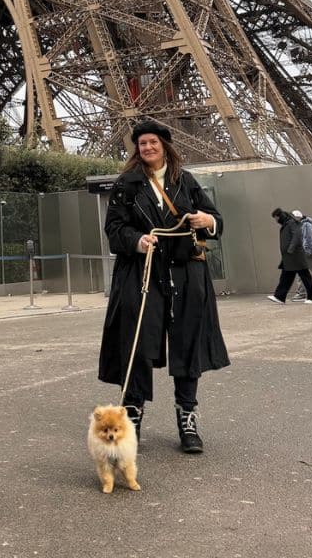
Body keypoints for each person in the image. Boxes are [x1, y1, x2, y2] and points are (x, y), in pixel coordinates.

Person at [97, 119, 229, 455]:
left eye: (153, 142)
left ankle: (187, 418)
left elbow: (216, 220)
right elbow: (113, 230)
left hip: (186, 273)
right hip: (141, 274)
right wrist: (138, 241)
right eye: (142, 144)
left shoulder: (184, 180)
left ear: (164, 145)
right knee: (138, 345)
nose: (148, 148)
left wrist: (206, 220)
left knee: (187, 346)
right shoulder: (127, 183)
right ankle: (132, 418)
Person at [267, 209, 312, 304]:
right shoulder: (288, 223)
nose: (276, 221)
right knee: (287, 276)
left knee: (304, 276)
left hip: (295, 255)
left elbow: (297, 235)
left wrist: (290, 248)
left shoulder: (291, 223)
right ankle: (279, 297)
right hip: (290, 256)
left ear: (280, 216)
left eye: (276, 218)